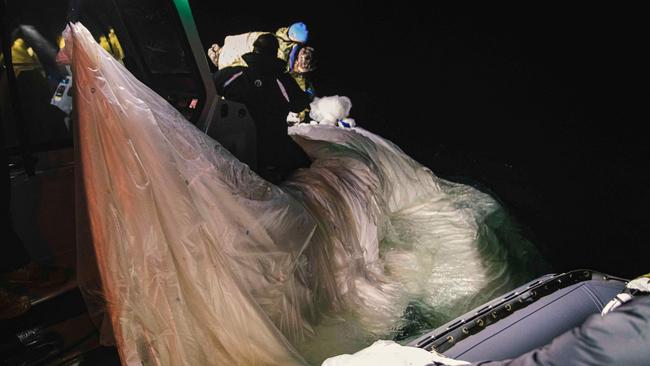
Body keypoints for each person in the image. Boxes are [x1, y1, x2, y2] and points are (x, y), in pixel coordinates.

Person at [213, 33, 311, 183]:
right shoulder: (283, 81)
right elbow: (300, 104)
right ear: (275, 53)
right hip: (271, 153)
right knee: (305, 162)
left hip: (235, 149)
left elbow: (211, 85)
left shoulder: (235, 74)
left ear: (254, 50)